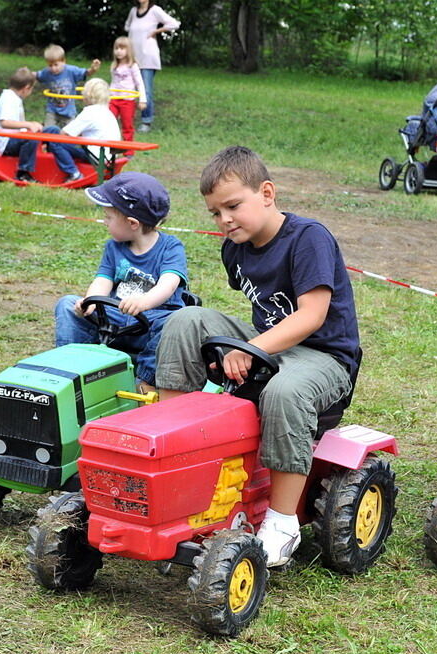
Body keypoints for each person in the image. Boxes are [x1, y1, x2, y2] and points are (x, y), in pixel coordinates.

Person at [154, 146, 361, 568]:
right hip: (268, 342)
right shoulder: (236, 249)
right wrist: (242, 345)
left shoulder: (308, 238)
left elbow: (311, 315)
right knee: (186, 319)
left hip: (323, 356)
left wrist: (249, 349)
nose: (224, 220)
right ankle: (171, 449)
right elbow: (261, 314)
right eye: (215, 212)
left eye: (233, 206)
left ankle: (282, 523)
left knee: (284, 390)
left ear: (266, 193)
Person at [54, 172, 187, 393]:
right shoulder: (114, 247)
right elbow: (103, 279)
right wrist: (91, 301)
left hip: (153, 319)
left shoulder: (171, 247)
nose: (104, 222)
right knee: (67, 304)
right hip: (116, 315)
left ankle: (145, 381)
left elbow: (169, 283)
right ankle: (71, 366)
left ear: (132, 223)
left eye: (108, 217)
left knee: (174, 323)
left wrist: (145, 302)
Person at [0, 67, 82, 184]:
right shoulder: (9, 99)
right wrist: (29, 125)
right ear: (26, 88)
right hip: (6, 144)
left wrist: (33, 125)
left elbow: (17, 125)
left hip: (17, 136)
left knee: (52, 130)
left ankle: (61, 156)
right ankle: (23, 173)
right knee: (31, 138)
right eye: (32, 89)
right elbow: (5, 122)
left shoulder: (14, 98)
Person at [47, 78, 121, 182]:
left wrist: (49, 134)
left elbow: (65, 133)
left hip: (96, 155)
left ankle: (74, 173)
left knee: (55, 141)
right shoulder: (107, 112)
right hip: (110, 155)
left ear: (87, 95)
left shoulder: (90, 112)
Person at [125, 0, 180, 133]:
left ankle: (146, 121)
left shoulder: (155, 10)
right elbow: (128, 28)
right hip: (133, 57)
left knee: (146, 90)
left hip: (148, 56)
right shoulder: (133, 11)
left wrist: (156, 31)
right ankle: (127, 118)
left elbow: (174, 24)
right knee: (127, 87)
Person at [36, 44, 101, 128]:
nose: (53, 68)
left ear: (63, 61)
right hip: (52, 109)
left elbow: (86, 73)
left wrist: (92, 69)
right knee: (48, 129)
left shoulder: (71, 70)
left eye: (56, 65)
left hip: (68, 110)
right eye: (50, 65)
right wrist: (27, 74)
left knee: (71, 131)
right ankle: (47, 141)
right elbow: (37, 75)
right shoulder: (47, 72)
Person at [108, 36, 147, 148]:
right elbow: (113, 82)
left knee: (127, 125)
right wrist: (108, 97)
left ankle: (128, 148)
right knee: (109, 120)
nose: (119, 51)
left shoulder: (133, 66)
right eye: (116, 48)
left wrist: (142, 100)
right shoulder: (114, 66)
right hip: (114, 99)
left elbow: (140, 83)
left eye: (122, 48)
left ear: (128, 50)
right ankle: (110, 144)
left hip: (127, 101)